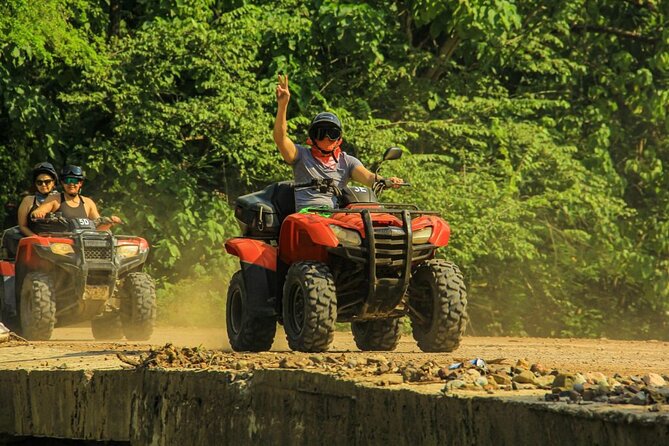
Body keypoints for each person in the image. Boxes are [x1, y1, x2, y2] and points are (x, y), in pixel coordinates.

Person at [273, 74, 402, 211]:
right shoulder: (301, 155)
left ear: (339, 139)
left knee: (363, 223)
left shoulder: (347, 162)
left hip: (335, 219)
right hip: (307, 217)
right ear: (312, 137)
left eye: (332, 134)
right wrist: (283, 105)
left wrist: (387, 181)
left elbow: (369, 178)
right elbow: (280, 139)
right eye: (321, 133)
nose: (327, 138)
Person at [30, 165, 121, 231]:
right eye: (67, 181)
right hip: (61, 247)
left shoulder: (88, 202)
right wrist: (39, 213)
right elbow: (38, 212)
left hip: (85, 245)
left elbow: (98, 226)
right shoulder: (55, 199)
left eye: (75, 181)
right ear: (62, 183)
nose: (71, 184)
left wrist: (110, 222)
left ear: (80, 183)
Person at [17, 162, 59, 236]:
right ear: (35, 184)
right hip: (33, 242)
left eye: (47, 182)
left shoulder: (61, 199)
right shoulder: (28, 200)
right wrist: (36, 238)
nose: (43, 185)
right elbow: (22, 226)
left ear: (53, 182)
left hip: (60, 243)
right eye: (39, 182)